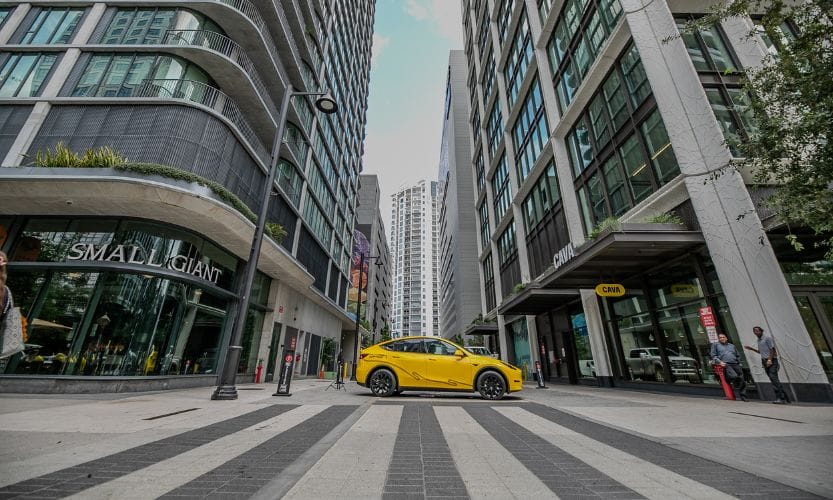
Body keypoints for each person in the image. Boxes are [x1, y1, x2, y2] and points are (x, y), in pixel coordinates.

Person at [745, 326, 790, 404]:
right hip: (764, 362)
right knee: (773, 379)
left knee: (773, 378)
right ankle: (785, 397)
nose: (755, 332)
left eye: (757, 331)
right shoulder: (758, 340)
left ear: (761, 331)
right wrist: (751, 349)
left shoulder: (767, 338)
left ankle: (781, 398)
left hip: (772, 361)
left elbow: (772, 349)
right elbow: (761, 352)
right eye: (754, 331)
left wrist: (769, 360)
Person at [710, 333, 748, 401]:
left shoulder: (732, 346)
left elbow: (737, 355)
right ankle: (730, 381)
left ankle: (743, 396)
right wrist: (720, 362)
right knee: (734, 376)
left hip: (736, 364)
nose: (722, 338)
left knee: (742, 379)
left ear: (726, 338)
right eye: (720, 338)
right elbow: (713, 356)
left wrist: (739, 362)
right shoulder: (715, 345)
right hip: (726, 364)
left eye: (723, 337)